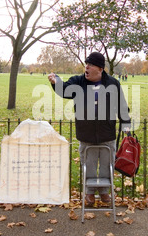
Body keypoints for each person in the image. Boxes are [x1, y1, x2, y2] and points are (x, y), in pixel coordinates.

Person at [48, 52, 131, 207]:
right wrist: (55, 82)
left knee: (107, 164)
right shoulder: (78, 82)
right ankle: (90, 192)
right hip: (86, 134)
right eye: (86, 64)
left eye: (90, 64)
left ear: (100, 68)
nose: (86, 66)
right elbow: (65, 90)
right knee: (89, 164)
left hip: (107, 133)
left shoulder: (112, 83)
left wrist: (126, 126)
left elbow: (121, 106)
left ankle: (104, 190)